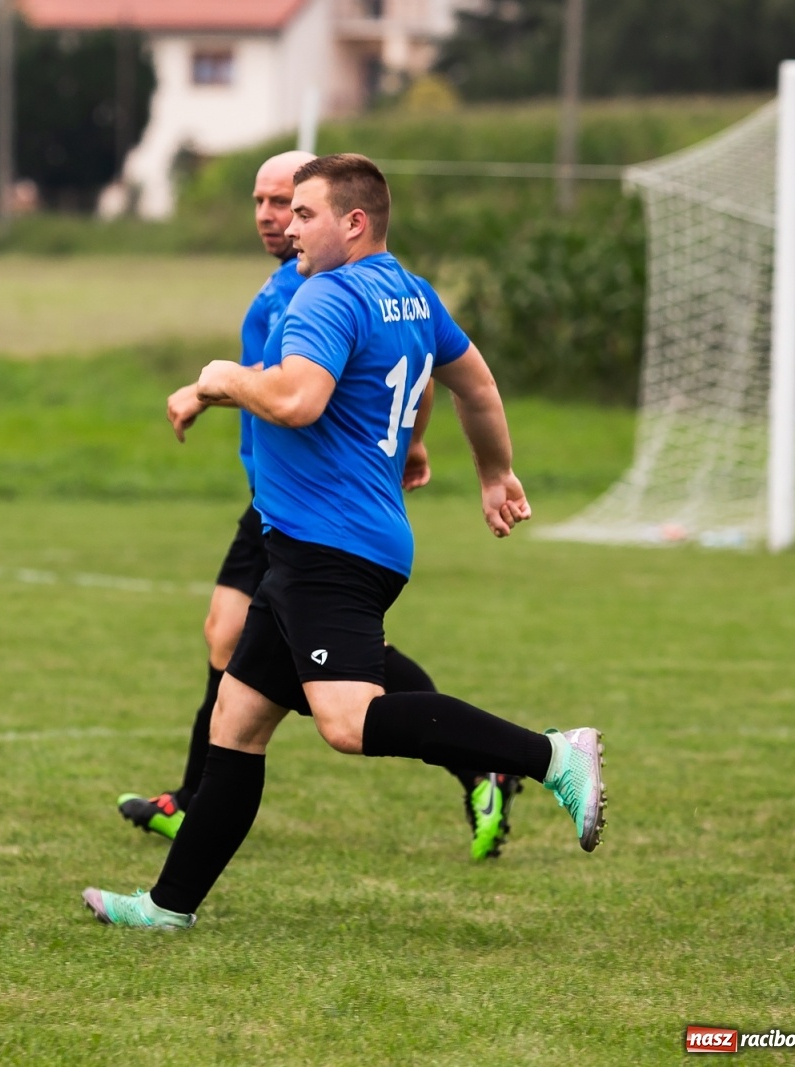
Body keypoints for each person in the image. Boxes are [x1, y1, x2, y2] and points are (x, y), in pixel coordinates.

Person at [83, 154, 606, 929]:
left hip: (332, 546)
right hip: (326, 540)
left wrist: (220, 379)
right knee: (237, 719)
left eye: (303, 213)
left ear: (353, 222)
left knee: (347, 721)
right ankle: (168, 905)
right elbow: (476, 384)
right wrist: (496, 473)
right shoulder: (411, 292)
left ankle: (551, 754)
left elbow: (297, 400)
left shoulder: (327, 295)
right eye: (283, 211)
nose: (287, 227)